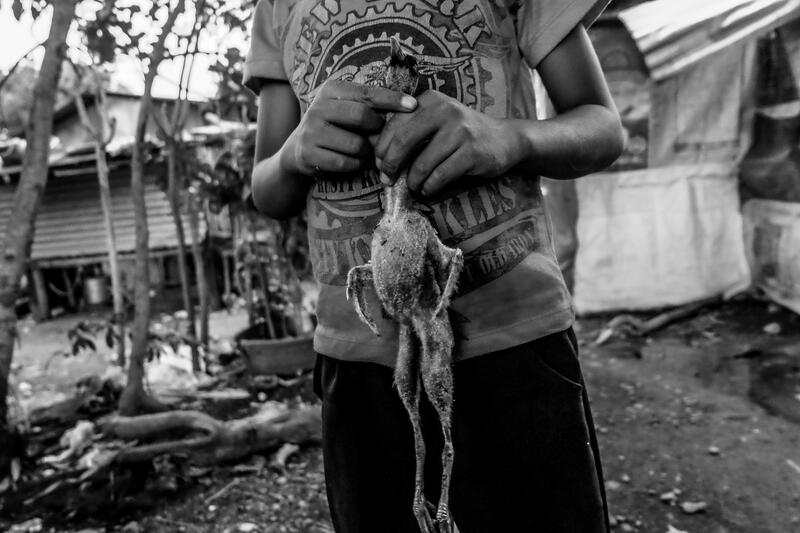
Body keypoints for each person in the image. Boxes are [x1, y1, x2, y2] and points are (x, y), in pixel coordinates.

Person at [244, 1, 624, 531]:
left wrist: (511, 138)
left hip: (514, 346)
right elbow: (267, 188)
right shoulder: (278, 9)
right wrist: (291, 155)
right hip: (357, 362)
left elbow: (603, 127)